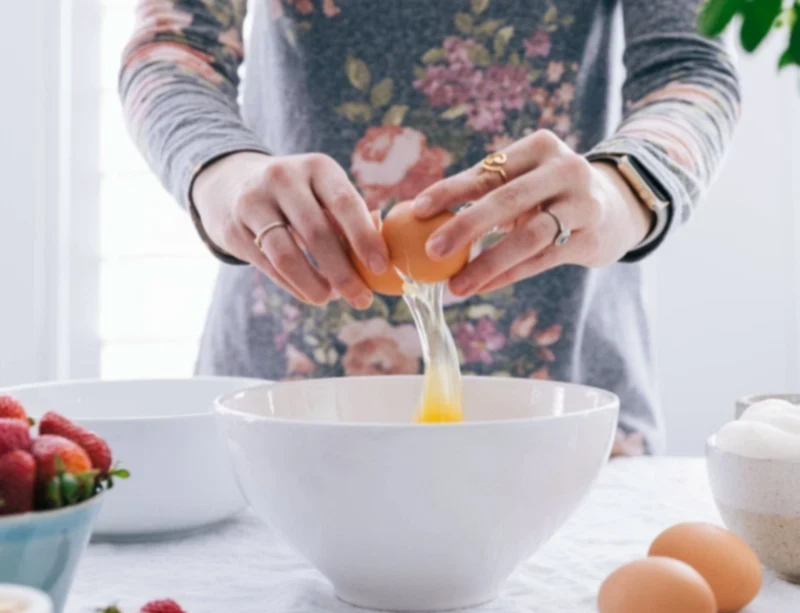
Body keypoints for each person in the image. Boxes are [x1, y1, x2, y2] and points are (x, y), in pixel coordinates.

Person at [120, 0, 740, 455]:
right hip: (283, 394)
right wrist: (225, 172)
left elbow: (692, 67)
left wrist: (620, 188)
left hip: (562, 390)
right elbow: (170, 47)